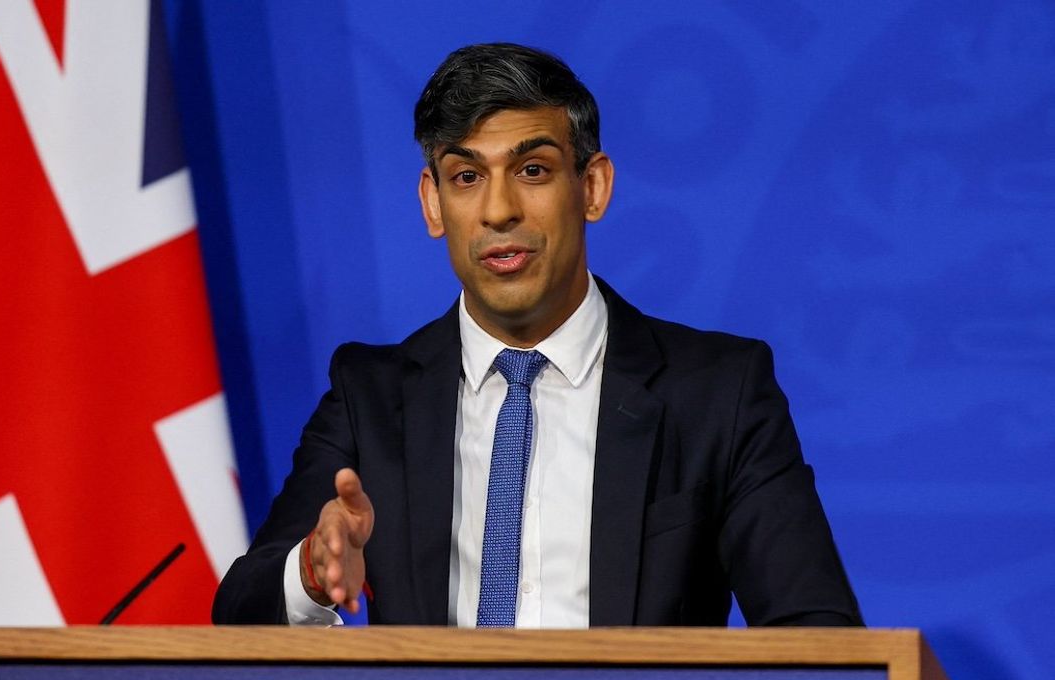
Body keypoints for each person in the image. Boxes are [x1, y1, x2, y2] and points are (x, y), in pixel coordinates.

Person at [212, 43, 862, 628]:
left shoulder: (717, 394)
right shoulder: (371, 397)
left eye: (532, 170)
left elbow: (819, 635)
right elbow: (239, 609)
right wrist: (311, 573)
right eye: (467, 177)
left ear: (592, 187)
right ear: (433, 203)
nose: (498, 211)